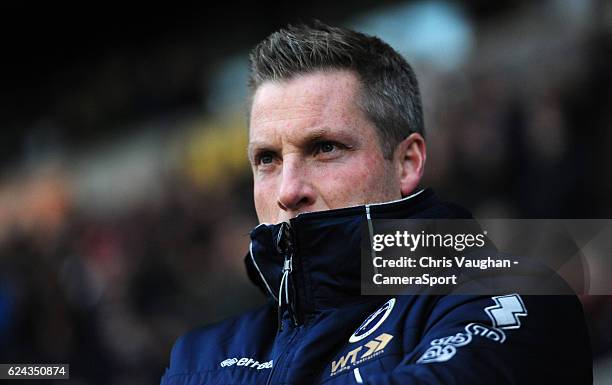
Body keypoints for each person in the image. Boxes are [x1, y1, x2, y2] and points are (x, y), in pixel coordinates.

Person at [160, 21, 592, 385]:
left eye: (325, 148)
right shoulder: (199, 357)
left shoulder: (518, 295)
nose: (288, 190)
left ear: (407, 163)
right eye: (267, 159)